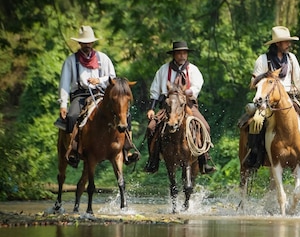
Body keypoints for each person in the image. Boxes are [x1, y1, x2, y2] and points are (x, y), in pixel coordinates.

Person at [57, 25, 139, 167]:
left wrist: (99, 80)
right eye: (84, 42)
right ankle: (73, 150)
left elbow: (113, 79)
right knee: (71, 117)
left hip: (101, 94)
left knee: (126, 115)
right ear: (79, 43)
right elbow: (64, 83)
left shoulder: (103, 58)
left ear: (92, 43)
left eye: (89, 42)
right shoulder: (71, 61)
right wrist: (63, 104)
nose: (87, 45)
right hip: (80, 95)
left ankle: (127, 149)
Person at [243, 26, 300, 168]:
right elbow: (253, 83)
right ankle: (254, 154)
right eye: (286, 42)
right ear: (277, 44)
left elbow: (299, 82)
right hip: (267, 101)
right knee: (256, 122)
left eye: (288, 41)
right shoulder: (262, 60)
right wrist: (266, 77)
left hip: (290, 100)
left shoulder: (292, 59)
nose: (289, 44)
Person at [144, 41, 215, 174]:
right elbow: (155, 90)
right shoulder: (163, 70)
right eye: (179, 53)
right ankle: (153, 160)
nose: (182, 56)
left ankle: (204, 160)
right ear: (174, 55)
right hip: (168, 106)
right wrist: (151, 108)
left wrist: (186, 92)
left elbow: (197, 86)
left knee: (205, 127)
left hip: (187, 104)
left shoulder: (193, 69)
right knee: (151, 127)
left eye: (184, 53)